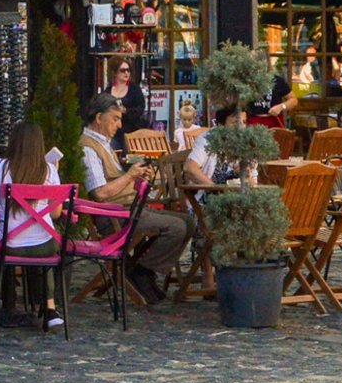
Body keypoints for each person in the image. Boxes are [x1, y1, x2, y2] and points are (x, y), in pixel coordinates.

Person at [80, 93, 190, 304]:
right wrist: (130, 175)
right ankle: (140, 271)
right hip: (114, 216)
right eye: (115, 118)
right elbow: (100, 193)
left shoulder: (104, 144)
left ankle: (140, 269)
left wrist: (139, 179)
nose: (119, 125)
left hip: (128, 209)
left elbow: (118, 182)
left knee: (188, 222)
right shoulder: (88, 148)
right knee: (177, 227)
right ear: (98, 118)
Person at [0, 121, 66, 328]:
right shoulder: (49, 170)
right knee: (48, 247)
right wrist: (55, 173)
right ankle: (50, 308)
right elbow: (55, 214)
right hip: (45, 245)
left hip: (8, 244)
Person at [183, 106, 243, 189]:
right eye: (235, 123)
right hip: (207, 197)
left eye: (244, 122)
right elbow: (189, 167)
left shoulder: (242, 141)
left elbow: (251, 179)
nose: (241, 127)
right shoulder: (206, 139)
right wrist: (214, 189)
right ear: (220, 125)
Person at [107, 60, 146, 144]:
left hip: (132, 132)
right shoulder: (108, 90)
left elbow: (141, 108)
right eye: (122, 70)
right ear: (115, 73)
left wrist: (126, 111)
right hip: (113, 132)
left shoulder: (134, 89)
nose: (126, 73)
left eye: (128, 70)